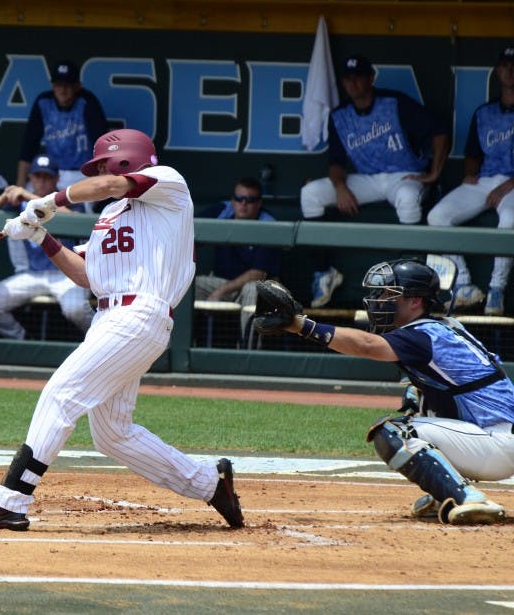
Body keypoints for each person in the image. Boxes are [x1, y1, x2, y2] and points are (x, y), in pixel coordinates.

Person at [0, 128, 244, 531]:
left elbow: (110, 184)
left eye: (105, 164)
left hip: (139, 313)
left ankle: (10, 501)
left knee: (61, 394)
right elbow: (86, 275)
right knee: (112, 434)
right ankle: (209, 484)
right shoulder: (109, 214)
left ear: (126, 159)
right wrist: (41, 235)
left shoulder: (168, 183)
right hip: (108, 319)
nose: (102, 173)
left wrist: (49, 201)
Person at [252, 259, 510, 525]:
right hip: (492, 439)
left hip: (497, 441)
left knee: (395, 431)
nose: (379, 300)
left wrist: (302, 326)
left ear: (415, 301)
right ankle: (445, 489)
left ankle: (468, 498)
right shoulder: (437, 329)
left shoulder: (422, 334)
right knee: (415, 400)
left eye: (390, 294)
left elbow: (366, 344)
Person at [300, 54, 448, 308]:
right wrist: (340, 187)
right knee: (310, 194)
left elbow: (439, 133)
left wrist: (434, 173)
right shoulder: (340, 116)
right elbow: (335, 161)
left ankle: (407, 279)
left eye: (358, 77)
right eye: (348, 79)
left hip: (403, 174)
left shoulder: (394, 103)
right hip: (367, 179)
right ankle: (324, 272)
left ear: (371, 78)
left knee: (408, 198)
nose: (353, 83)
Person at [426, 46, 514, 316]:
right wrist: (470, 173)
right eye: (505, 66)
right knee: (437, 216)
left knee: (509, 219)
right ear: (498, 71)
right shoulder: (485, 112)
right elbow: (473, 155)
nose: (510, 71)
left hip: (512, 185)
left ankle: (496, 289)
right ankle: (464, 284)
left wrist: (507, 185)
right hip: (487, 182)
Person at [0, 154, 93, 340]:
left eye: (47, 176)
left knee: (76, 309)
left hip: (66, 274)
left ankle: (97, 341)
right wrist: (3, 197)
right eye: (38, 176)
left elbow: (74, 219)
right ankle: (20, 339)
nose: (42, 181)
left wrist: (32, 197)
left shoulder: (68, 200)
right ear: (30, 178)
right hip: (31, 274)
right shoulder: (19, 202)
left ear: (57, 178)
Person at [195, 176, 282, 343]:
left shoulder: (269, 224)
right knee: (191, 286)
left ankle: (246, 356)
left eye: (250, 200)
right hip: (222, 281)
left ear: (259, 203)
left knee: (252, 289)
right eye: (239, 198)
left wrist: (220, 292)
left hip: (256, 288)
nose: (243, 204)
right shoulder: (222, 211)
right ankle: (179, 346)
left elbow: (258, 274)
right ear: (232, 200)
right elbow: (187, 230)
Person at [15, 60, 107, 198]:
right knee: (27, 198)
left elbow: (101, 144)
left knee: (79, 205)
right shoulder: (43, 102)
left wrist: (101, 178)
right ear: (52, 85)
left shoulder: (87, 102)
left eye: (68, 85)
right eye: (58, 85)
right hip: (50, 173)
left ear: (78, 86)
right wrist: (20, 183)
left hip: (82, 174)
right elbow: (29, 146)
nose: (63, 90)